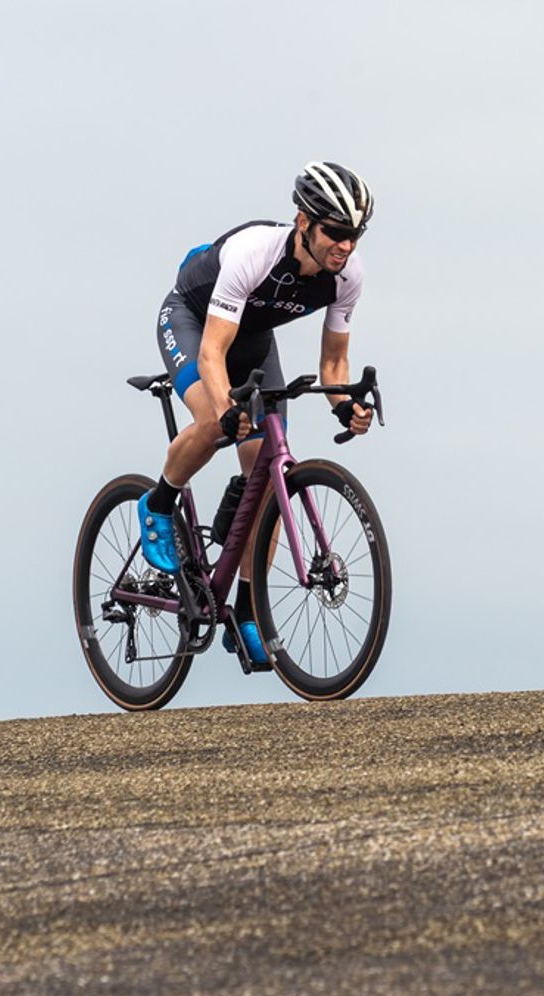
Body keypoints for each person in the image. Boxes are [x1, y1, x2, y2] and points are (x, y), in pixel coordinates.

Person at [138, 161, 376, 664]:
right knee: (213, 422)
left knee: (268, 468)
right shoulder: (255, 253)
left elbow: (333, 362)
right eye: (335, 232)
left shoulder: (346, 277)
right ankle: (158, 504)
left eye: (355, 235)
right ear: (303, 222)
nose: (346, 246)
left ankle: (246, 610)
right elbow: (211, 355)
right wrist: (225, 410)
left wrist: (346, 405)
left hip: (251, 339)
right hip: (193, 321)